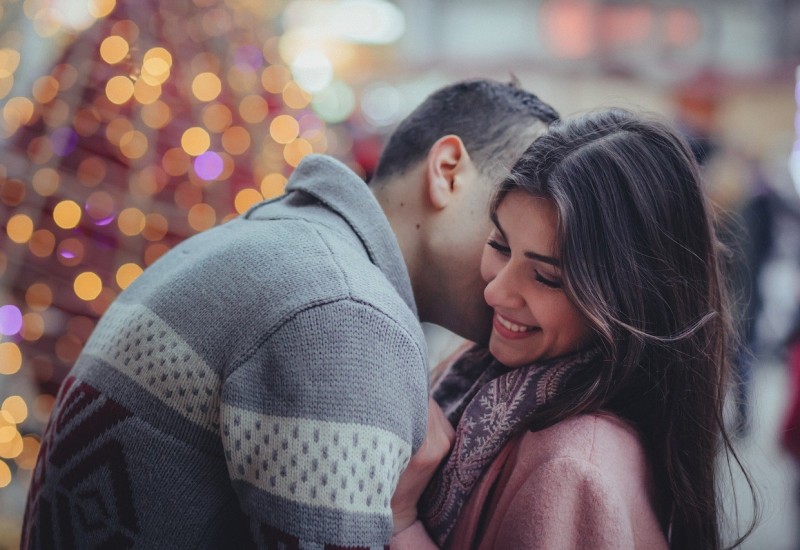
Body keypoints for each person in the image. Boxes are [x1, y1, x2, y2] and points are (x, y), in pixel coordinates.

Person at [20, 79, 559, 548]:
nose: (519, 266)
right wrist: (401, 521)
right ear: (446, 171)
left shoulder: (284, 242)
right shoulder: (345, 312)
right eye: (506, 224)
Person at [392, 108, 755, 549]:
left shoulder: (575, 467)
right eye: (501, 246)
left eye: (548, 278)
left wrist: (401, 520)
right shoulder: (490, 376)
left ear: (631, 299)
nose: (496, 294)